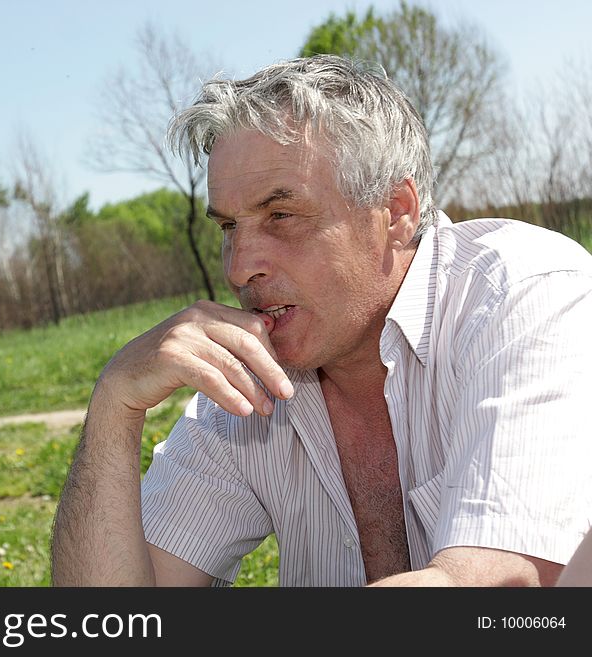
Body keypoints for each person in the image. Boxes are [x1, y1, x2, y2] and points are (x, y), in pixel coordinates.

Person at [50, 54, 592, 587]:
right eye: (229, 228)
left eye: (280, 216)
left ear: (396, 211)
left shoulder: (523, 295)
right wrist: (114, 407)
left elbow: (497, 588)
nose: (240, 267)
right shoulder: (249, 389)